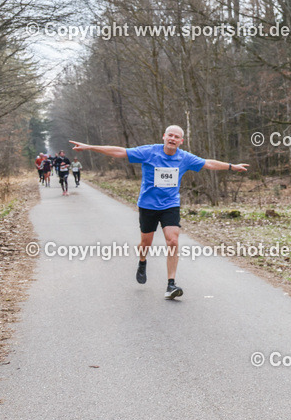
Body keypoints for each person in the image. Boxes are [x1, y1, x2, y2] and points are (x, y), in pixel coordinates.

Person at [70, 126, 248, 299]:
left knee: (173, 240)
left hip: (170, 205)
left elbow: (208, 163)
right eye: (170, 135)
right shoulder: (149, 152)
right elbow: (120, 152)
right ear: (164, 136)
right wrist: (90, 147)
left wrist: (232, 166)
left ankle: (171, 284)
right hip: (148, 205)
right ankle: (142, 261)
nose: (172, 139)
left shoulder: (184, 157)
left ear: (181, 141)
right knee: (145, 243)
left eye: (176, 137)